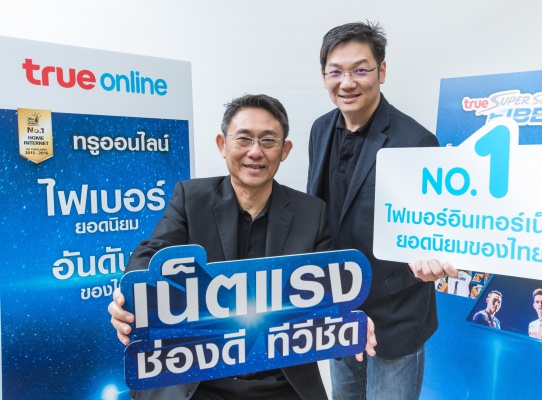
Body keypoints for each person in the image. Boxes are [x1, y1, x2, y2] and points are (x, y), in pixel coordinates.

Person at [108, 94, 376, 400]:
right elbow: (150, 255)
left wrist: (347, 319)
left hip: (281, 380)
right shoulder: (190, 198)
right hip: (196, 376)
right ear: (222, 145)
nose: (255, 152)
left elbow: (329, 292)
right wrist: (131, 299)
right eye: (244, 139)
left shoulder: (311, 213)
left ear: (285, 150)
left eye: (268, 141)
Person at [307, 21, 457, 400]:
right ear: (324, 77)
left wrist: (433, 255)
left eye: (360, 70)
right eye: (336, 72)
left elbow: (434, 229)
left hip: (396, 313)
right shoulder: (319, 130)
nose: (347, 83)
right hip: (339, 309)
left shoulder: (416, 141)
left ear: (382, 71)